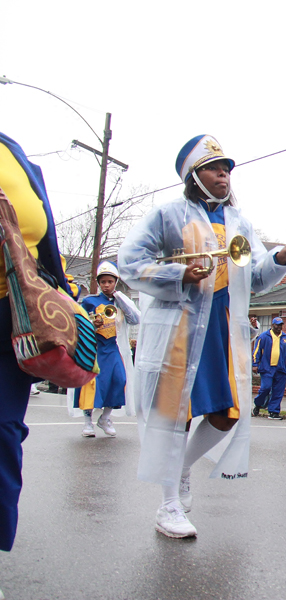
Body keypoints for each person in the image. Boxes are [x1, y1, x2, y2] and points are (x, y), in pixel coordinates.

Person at [118, 135, 286, 538]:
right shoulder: (168, 215)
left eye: (228, 169)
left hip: (223, 328)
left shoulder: (239, 222)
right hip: (179, 329)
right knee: (176, 417)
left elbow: (255, 277)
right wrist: (178, 273)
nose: (225, 174)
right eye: (215, 168)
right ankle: (168, 504)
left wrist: (280, 258)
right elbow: (131, 263)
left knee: (227, 415)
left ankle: (182, 468)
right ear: (194, 175)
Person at [0, 131, 80, 552]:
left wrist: (64, 297)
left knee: (3, 432)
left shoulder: (12, 151)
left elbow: (43, 240)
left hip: (10, 314)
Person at [72, 261, 140, 437]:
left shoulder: (120, 301)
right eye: (103, 282)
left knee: (119, 380)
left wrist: (120, 299)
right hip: (93, 348)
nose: (107, 285)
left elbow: (135, 319)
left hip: (112, 348)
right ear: (99, 283)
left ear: (115, 282)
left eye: (110, 281)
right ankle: (87, 422)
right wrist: (90, 323)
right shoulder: (89, 301)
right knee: (91, 385)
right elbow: (76, 322)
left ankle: (105, 417)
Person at [252, 317, 286, 420]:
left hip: (280, 369)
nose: (278, 327)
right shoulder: (263, 336)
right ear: (272, 325)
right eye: (276, 325)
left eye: (280, 325)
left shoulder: (285, 338)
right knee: (265, 387)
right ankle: (258, 404)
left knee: (278, 391)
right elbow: (256, 350)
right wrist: (255, 364)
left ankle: (273, 412)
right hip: (267, 368)